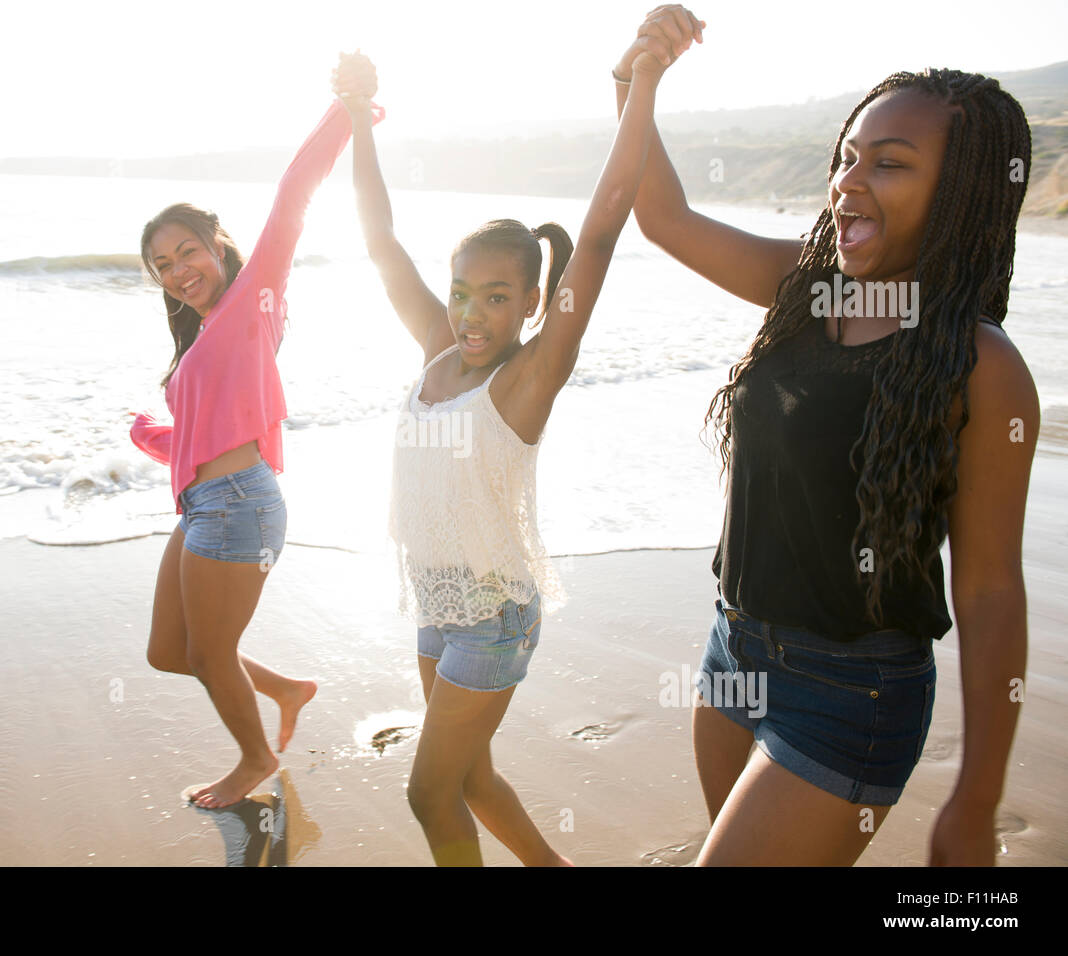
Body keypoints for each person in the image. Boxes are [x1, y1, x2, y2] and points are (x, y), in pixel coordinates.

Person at [619, 5, 1038, 865]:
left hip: (853, 687)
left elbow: (991, 590)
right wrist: (636, 85)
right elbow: (661, 219)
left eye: (889, 164)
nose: (850, 181)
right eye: (846, 157)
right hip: (733, 648)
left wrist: (978, 794)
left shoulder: (983, 368)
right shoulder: (805, 291)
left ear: (960, 193)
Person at [332, 38, 668, 865]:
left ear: (529, 303)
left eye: (494, 298)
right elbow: (380, 240)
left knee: (427, 791)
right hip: (438, 606)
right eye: (459, 294)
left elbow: (595, 237)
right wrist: (356, 120)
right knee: (471, 782)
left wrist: (639, 88)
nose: (470, 314)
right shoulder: (436, 354)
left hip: (494, 618)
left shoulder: (525, 380)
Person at [129, 91, 384, 810]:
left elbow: (293, 193)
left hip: (239, 505)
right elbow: (201, 438)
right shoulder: (203, 337)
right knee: (168, 651)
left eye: (188, 251)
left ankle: (253, 761)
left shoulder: (253, 298)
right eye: (162, 265)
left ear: (216, 243)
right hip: (206, 502)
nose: (179, 270)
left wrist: (348, 108)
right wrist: (147, 433)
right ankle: (284, 688)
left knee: (208, 656)